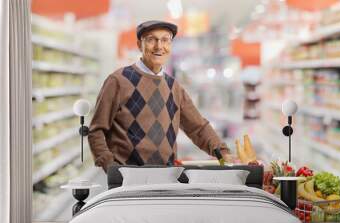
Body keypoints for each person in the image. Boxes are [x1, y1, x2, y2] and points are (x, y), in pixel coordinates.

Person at [88, 20, 232, 172]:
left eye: (165, 40)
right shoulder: (118, 80)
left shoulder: (174, 87)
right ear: (139, 45)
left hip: (166, 177)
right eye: (151, 40)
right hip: (127, 180)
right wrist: (110, 167)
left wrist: (223, 153)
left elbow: (198, 128)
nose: (159, 46)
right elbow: (96, 130)